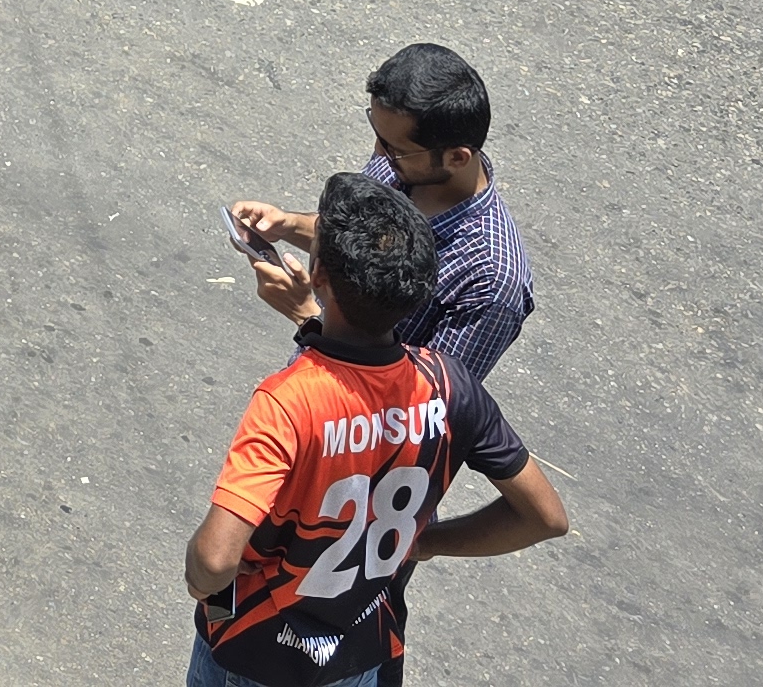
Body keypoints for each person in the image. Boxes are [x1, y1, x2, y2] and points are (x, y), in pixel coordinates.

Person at [185, 172, 570, 681]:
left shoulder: (288, 402)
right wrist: (426, 542)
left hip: (253, 655)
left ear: (318, 274)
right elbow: (545, 518)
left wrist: (201, 584)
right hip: (359, 655)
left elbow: (215, 561)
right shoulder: (450, 385)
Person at [226, 42, 539, 387]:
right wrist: (286, 225)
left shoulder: (491, 283)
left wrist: (308, 317)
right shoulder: (404, 163)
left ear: (456, 158)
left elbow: (427, 402)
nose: (379, 151)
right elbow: (352, 238)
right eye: (379, 136)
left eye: (394, 148)